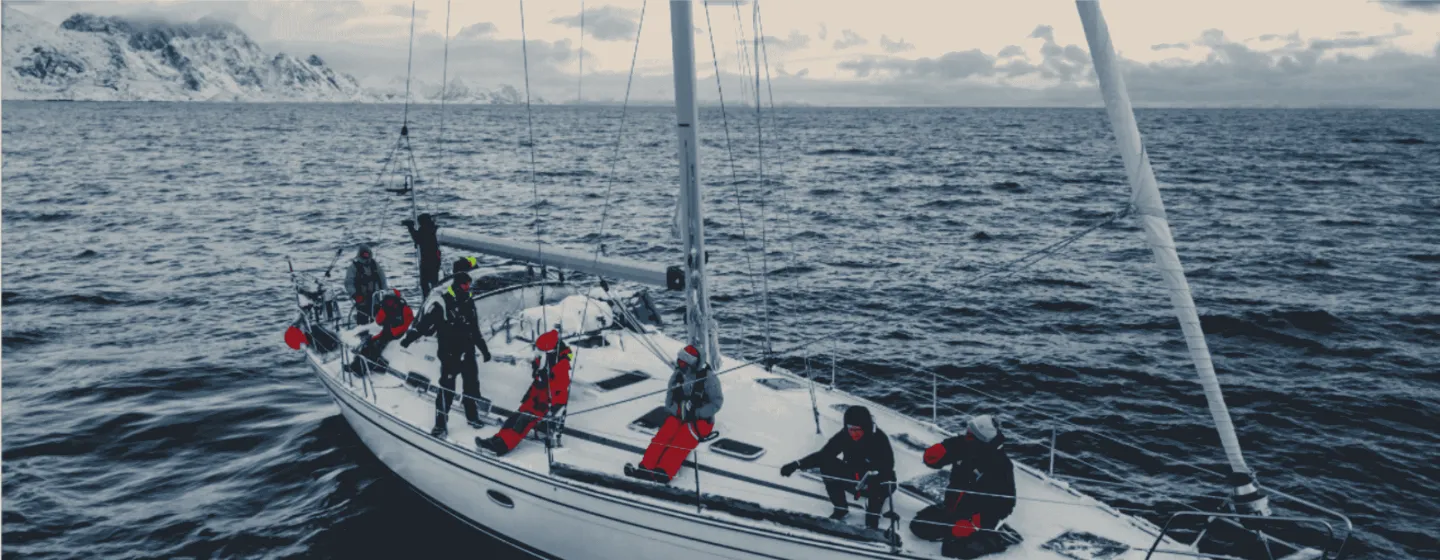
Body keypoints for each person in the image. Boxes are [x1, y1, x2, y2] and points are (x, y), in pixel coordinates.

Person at [400, 272, 492, 437]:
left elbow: (475, 329)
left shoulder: (469, 301)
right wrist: (408, 339)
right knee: (447, 390)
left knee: (471, 386)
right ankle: (440, 425)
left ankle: (472, 417)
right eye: (465, 284)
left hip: (468, 351)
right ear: (457, 284)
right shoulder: (442, 303)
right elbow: (424, 325)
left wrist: (484, 350)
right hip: (450, 353)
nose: (467, 287)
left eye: (468, 284)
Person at [916, 415, 1017, 558]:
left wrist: (975, 523)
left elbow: (1007, 503)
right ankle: (952, 533)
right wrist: (938, 452)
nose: (966, 435)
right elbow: (932, 461)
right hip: (953, 508)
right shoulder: (962, 445)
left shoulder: (1001, 465)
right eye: (967, 432)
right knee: (919, 526)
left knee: (952, 551)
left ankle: (996, 539)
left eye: (970, 434)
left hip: (977, 517)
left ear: (981, 439)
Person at [780, 406, 896, 529]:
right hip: (854, 478)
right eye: (850, 429)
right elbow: (823, 455)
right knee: (826, 464)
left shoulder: (879, 439)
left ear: (865, 428)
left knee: (879, 493)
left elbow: (888, 466)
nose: (853, 434)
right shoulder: (845, 435)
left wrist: (870, 479)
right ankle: (841, 509)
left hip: (875, 482)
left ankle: (872, 520)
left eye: (857, 430)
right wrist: (797, 464)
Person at [624, 345, 724, 484]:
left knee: (683, 438)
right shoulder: (677, 376)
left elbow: (716, 403)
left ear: (691, 364)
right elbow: (669, 399)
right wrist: (677, 410)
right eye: (679, 363)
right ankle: (645, 468)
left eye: (683, 364)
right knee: (664, 433)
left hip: (700, 420)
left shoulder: (709, 379)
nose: (680, 367)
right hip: (679, 415)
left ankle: (663, 473)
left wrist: (697, 413)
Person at [476, 330, 572, 456]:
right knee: (513, 419)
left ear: (549, 351)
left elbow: (560, 392)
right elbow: (539, 377)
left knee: (521, 423)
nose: (537, 353)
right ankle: (496, 439)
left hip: (542, 405)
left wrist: (553, 410)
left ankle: (502, 446)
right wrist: (537, 370)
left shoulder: (561, 366)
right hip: (533, 400)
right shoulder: (547, 360)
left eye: (540, 350)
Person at [350, 289, 413, 374]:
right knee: (372, 343)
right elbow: (410, 320)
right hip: (400, 333)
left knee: (371, 345)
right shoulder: (405, 307)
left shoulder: (385, 307)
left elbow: (379, 321)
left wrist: (380, 310)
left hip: (389, 333)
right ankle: (360, 365)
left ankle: (359, 368)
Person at [344, 244, 388, 324]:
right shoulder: (353, 267)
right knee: (362, 319)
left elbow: (383, 279)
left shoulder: (375, 265)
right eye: (364, 254)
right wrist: (355, 295)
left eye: (367, 254)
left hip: (376, 298)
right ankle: (362, 332)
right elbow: (349, 283)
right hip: (362, 299)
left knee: (378, 318)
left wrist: (385, 293)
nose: (366, 256)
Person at [403, 213, 442, 294]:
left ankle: (428, 298)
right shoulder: (434, 229)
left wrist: (410, 227)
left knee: (425, 283)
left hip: (427, 260)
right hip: (435, 259)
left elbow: (417, 239)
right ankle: (434, 296)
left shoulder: (425, 229)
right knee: (433, 281)